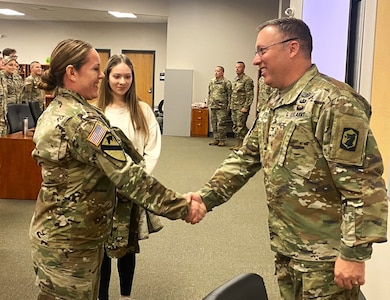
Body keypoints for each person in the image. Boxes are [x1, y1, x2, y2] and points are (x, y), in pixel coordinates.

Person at [189, 18, 388, 300]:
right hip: (287, 247)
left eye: (262, 51)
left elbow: (364, 186)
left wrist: (354, 254)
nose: (256, 60)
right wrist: (205, 197)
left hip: (326, 259)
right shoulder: (275, 103)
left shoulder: (333, 102)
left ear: (292, 48)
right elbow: (246, 158)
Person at [29, 39, 206, 300]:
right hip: (72, 245)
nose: (102, 75)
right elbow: (127, 174)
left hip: (58, 234)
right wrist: (182, 206)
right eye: (95, 69)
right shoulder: (84, 122)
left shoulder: (56, 109)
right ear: (72, 73)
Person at [96, 54, 163, 300]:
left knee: (127, 247)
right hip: (103, 191)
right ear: (107, 78)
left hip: (133, 188)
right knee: (102, 248)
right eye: (116, 76)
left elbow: (152, 148)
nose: (122, 81)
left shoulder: (142, 110)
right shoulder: (97, 112)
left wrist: (137, 180)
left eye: (127, 76)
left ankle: (126, 296)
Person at [229, 61, 254, 150]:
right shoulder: (235, 79)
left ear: (243, 68)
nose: (237, 69)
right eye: (236, 67)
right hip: (234, 107)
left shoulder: (247, 80)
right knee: (235, 126)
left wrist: (246, 107)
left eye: (239, 67)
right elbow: (233, 93)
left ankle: (245, 144)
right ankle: (239, 144)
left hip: (241, 107)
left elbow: (250, 94)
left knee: (241, 126)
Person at [207, 66, 232, 147]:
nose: (216, 72)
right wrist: (208, 103)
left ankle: (222, 140)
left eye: (218, 71)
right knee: (214, 123)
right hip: (213, 106)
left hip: (222, 107)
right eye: (215, 71)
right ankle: (216, 139)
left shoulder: (226, 82)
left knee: (221, 124)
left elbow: (230, 95)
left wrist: (229, 106)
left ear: (222, 72)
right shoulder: (212, 81)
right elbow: (209, 93)